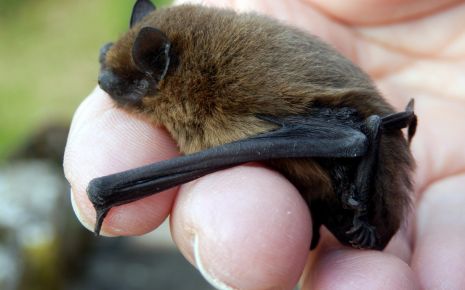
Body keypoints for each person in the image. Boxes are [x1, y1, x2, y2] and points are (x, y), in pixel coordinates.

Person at [64, 0, 465, 289]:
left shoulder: (221, 99)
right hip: (335, 137)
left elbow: (350, 137)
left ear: (165, 71)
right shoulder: (209, 83)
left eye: (136, 82)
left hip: (365, 165)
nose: (110, 88)